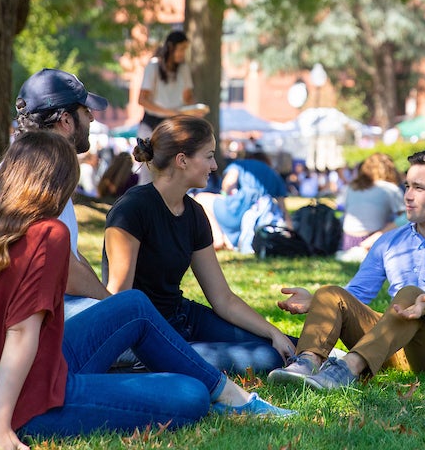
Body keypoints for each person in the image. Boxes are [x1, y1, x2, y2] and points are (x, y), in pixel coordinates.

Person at [0, 132, 292, 444]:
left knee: (132, 304)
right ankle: (224, 394)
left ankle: (227, 392)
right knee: (189, 396)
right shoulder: (48, 235)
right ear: (57, 183)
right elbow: (22, 332)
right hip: (23, 402)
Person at [268, 149, 425, 389]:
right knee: (330, 292)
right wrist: (318, 301)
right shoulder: (388, 241)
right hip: (392, 347)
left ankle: (346, 370)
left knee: (410, 294)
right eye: (407, 186)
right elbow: (356, 293)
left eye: (419, 188)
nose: (407, 196)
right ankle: (307, 363)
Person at [102, 116, 295, 375]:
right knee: (266, 358)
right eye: (209, 156)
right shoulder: (132, 209)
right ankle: (146, 366)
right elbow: (119, 301)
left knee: (287, 346)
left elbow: (223, 298)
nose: (215, 166)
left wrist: (273, 332)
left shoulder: (194, 212)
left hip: (182, 318)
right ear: (182, 160)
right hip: (140, 336)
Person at [12, 68, 114, 319]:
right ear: (66, 121)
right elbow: (64, 269)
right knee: (139, 315)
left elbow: (73, 256)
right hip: (31, 315)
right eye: (85, 110)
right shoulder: (43, 172)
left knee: (139, 315)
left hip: (41, 305)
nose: (91, 117)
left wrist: (111, 304)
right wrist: (114, 310)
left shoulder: (33, 161)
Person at [200, 151, 291, 253]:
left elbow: (229, 184)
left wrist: (226, 196)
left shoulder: (240, 165)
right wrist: (291, 233)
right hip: (260, 217)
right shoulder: (274, 175)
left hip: (239, 207)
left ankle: (218, 238)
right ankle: (229, 240)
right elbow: (283, 209)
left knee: (201, 199)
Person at [336, 153, 405, 261]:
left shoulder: (351, 187)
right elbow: (406, 218)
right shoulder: (391, 189)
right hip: (372, 238)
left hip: (348, 240)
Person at [138, 30, 207, 136]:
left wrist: (195, 110)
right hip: (152, 125)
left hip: (175, 124)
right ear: (171, 47)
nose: (183, 53)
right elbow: (142, 100)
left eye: (185, 49)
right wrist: (167, 112)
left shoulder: (183, 69)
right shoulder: (153, 66)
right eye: (181, 49)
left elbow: (188, 97)